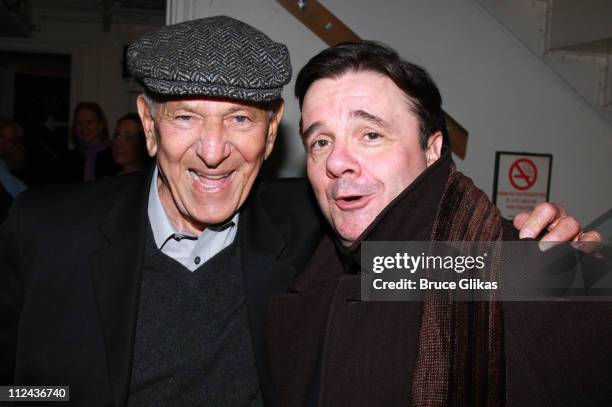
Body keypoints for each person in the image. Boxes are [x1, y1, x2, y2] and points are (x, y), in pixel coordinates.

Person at [0, 17, 596, 407]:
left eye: (239, 119)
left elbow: (455, 261)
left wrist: (554, 265)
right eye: (185, 117)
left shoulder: (318, 227)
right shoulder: (47, 229)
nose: (213, 151)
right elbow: (16, 385)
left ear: (270, 132)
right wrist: (53, 396)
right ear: (149, 125)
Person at [266, 41, 610, 407]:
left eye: (370, 135)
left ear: (432, 150)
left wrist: (585, 274)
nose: (336, 162)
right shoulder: (306, 272)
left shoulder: (517, 268)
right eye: (320, 141)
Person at [60, 102, 119, 181]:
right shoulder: (68, 159)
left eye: (89, 122)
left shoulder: (116, 155)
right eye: (79, 123)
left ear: (101, 125)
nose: (84, 128)